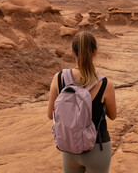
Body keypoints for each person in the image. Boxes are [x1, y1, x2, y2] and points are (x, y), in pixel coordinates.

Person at [48, 31, 117, 173]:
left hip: (69, 148)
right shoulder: (104, 83)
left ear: (73, 52)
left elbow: (50, 115)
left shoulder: (59, 78)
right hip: (98, 148)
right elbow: (113, 115)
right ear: (95, 52)